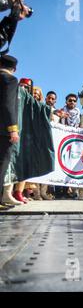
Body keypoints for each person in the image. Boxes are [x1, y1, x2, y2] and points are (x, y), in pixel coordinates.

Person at [0, 54, 19, 211]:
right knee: (1, 165)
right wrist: (13, 129)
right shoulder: (11, 80)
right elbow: (8, 105)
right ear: (14, 68)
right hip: (3, 131)